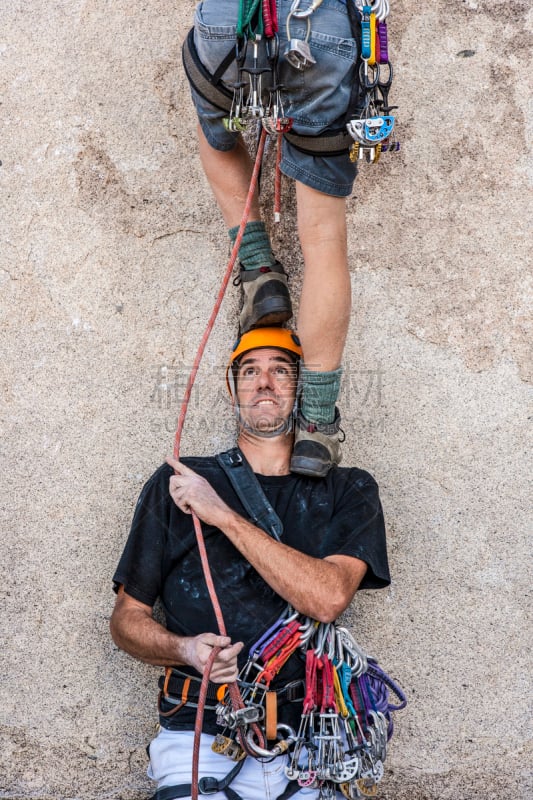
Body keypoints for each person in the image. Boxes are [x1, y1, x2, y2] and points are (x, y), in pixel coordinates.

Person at [110, 328, 390, 800]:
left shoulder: (350, 490)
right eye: (250, 371)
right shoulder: (176, 484)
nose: (264, 383)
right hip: (197, 736)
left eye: (281, 371)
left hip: (313, 742)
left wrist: (221, 514)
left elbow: (327, 598)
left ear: (302, 390)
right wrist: (184, 651)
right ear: (232, 389)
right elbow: (125, 621)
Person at [182, 0, 365, 477]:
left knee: (218, 124)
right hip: (319, 28)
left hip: (228, 21)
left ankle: (260, 269)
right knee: (323, 238)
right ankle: (317, 427)